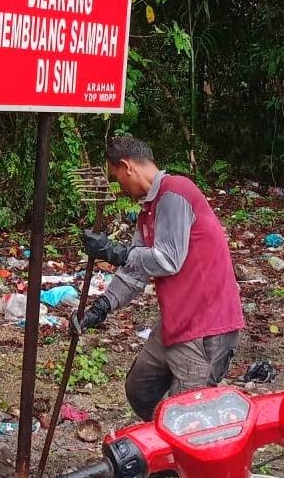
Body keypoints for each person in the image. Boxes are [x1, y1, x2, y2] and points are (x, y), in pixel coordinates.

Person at [70, 136, 244, 422]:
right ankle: (167, 451)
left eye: (118, 178)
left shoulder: (176, 192)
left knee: (188, 418)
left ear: (126, 167)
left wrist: (115, 251)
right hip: (176, 321)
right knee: (140, 390)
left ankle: (183, 458)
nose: (121, 188)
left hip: (205, 327)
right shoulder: (149, 211)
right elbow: (135, 270)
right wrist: (100, 309)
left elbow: (167, 260)